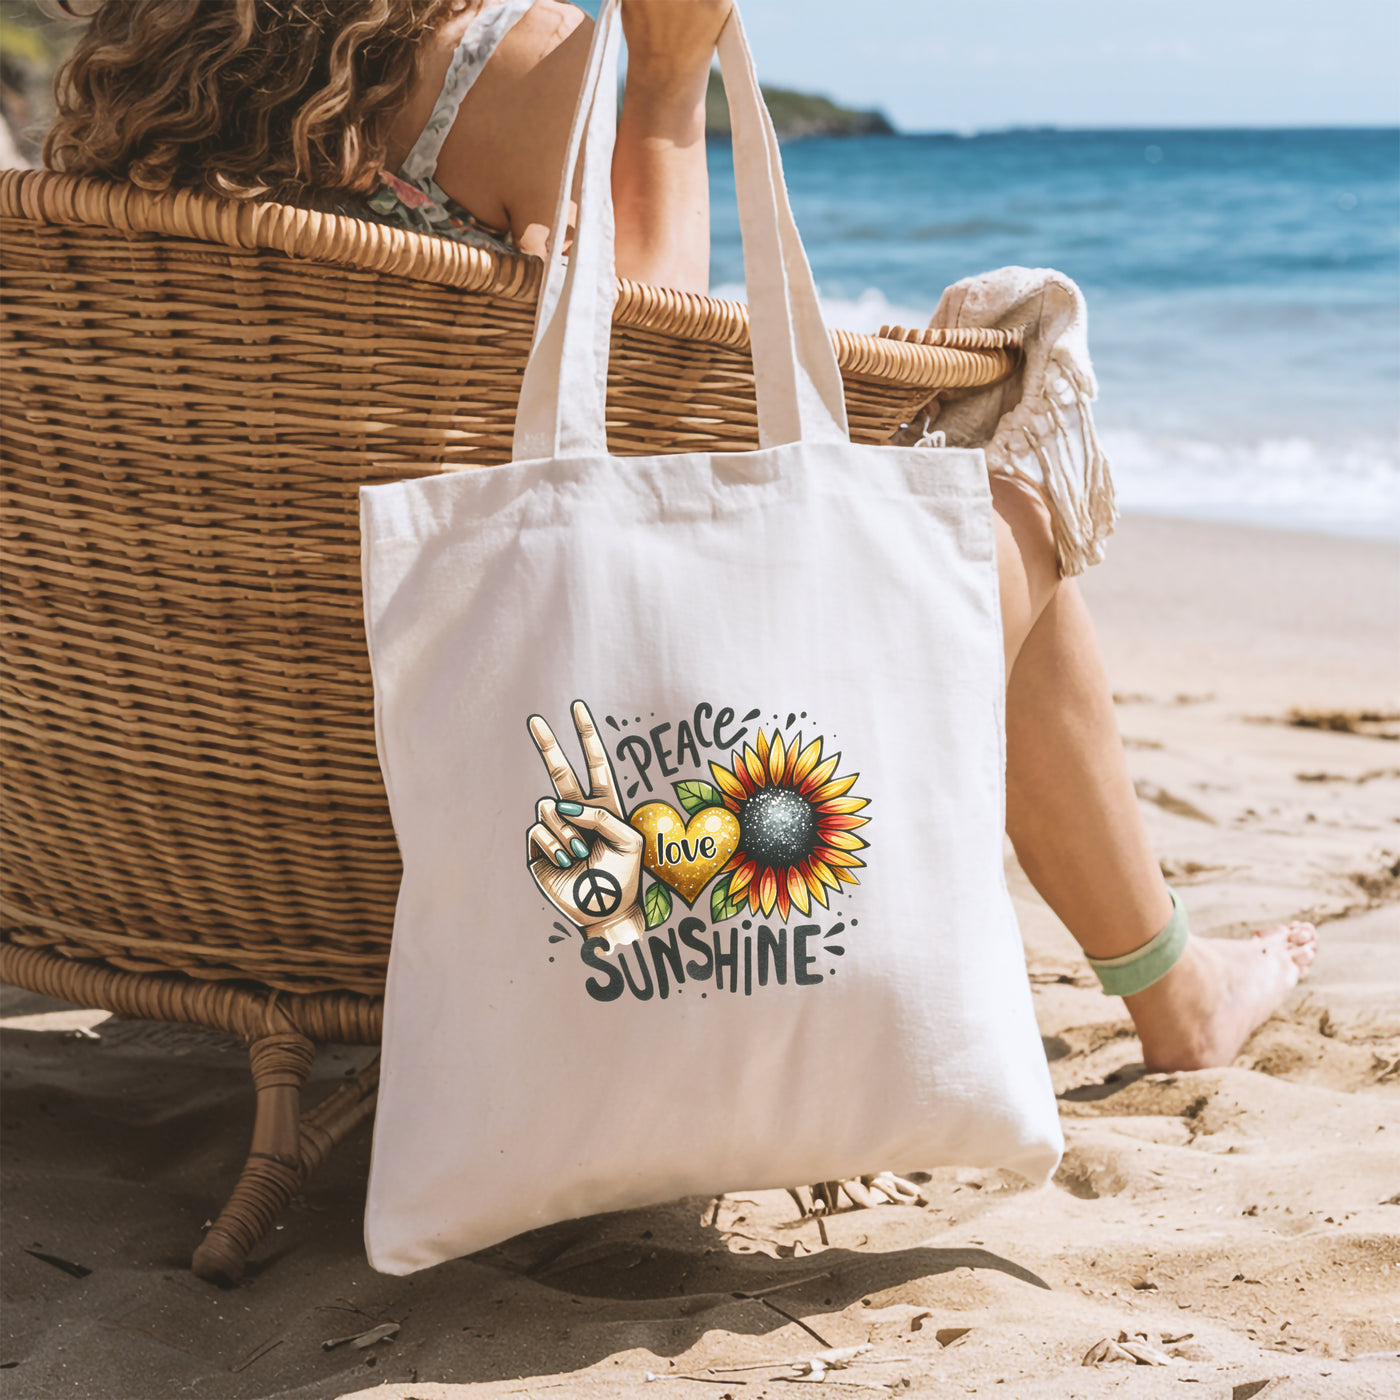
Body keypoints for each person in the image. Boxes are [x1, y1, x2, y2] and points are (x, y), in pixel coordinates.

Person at [43, 0, 1315, 1084]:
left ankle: (1180, 985)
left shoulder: (123, 99)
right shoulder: (503, 67)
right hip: (540, 821)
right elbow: (659, 433)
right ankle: (1173, 990)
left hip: (183, 837)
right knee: (997, 417)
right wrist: (658, 86)